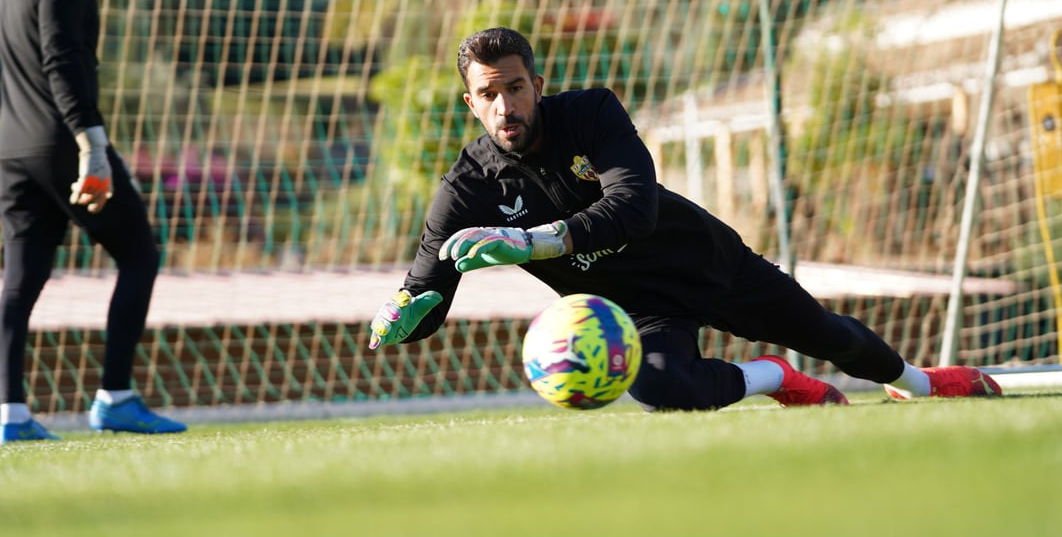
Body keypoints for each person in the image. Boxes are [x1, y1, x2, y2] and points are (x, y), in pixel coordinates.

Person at [367, 26, 1002, 411]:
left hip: (707, 263)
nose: (504, 105)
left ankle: (922, 383)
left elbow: (633, 209)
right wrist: (404, 312)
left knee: (830, 336)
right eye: (488, 94)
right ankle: (771, 376)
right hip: (639, 314)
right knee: (661, 391)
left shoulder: (591, 114)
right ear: (470, 101)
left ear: (537, 82)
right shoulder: (466, 185)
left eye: (514, 87)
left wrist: (532, 242)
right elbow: (429, 282)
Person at [0, 0, 185, 443]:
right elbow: (61, 63)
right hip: (63, 149)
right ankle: (115, 398)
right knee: (140, 255)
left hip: (14, 152)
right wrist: (92, 147)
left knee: (20, 284)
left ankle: (13, 417)